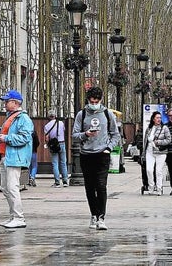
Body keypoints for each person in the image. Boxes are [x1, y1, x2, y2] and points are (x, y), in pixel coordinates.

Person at [72, 86, 120, 230]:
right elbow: (74, 135)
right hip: (86, 155)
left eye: (97, 101)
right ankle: (93, 214)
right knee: (89, 187)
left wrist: (109, 148)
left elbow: (115, 134)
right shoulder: (82, 114)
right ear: (88, 100)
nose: (94, 103)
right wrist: (86, 134)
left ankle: (101, 217)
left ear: (101, 100)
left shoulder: (107, 114)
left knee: (101, 186)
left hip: (102, 154)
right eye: (92, 101)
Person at [0, 89, 33, 229]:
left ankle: (19, 217)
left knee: (12, 187)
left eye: (7, 101)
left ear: (15, 103)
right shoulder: (11, 117)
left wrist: (6, 138)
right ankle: (13, 216)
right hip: (6, 156)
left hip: (14, 157)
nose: (5, 103)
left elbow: (25, 137)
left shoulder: (23, 118)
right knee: (6, 188)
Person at [144, 111, 171, 195]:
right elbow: (145, 141)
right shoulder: (149, 129)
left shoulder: (164, 128)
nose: (159, 119)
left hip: (161, 152)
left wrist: (159, 142)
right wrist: (143, 153)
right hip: (150, 152)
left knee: (158, 171)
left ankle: (159, 188)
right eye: (157, 118)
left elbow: (169, 140)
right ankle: (151, 187)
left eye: (160, 118)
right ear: (153, 119)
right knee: (149, 170)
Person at [43, 112, 67, 187]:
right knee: (63, 162)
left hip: (53, 145)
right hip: (62, 143)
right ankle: (65, 181)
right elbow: (63, 131)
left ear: (48, 117)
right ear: (55, 116)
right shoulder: (61, 123)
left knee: (55, 163)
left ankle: (57, 182)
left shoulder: (47, 126)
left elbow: (47, 138)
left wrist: (47, 144)